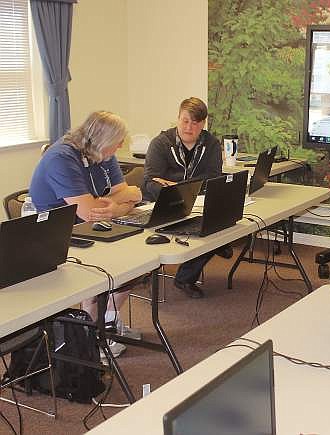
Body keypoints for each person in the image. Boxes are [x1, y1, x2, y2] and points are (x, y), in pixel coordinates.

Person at [30, 111, 143, 357]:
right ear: (102, 140)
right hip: (57, 235)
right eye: (118, 141)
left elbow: (132, 194)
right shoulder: (61, 158)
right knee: (103, 271)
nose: (121, 146)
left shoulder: (102, 152)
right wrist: (120, 203)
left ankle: (107, 322)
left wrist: (115, 206)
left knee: (141, 260)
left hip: (90, 227)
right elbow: (90, 212)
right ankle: (90, 342)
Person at [143, 97, 227, 298]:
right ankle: (144, 273)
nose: (189, 127)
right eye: (185, 121)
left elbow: (214, 177)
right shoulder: (161, 144)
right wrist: (176, 192)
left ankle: (185, 278)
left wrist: (182, 188)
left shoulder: (211, 144)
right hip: (160, 205)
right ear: (178, 118)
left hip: (196, 203)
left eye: (196, 123)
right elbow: (149, 183)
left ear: (203, 124)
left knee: (219, 228)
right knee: (208, 232)